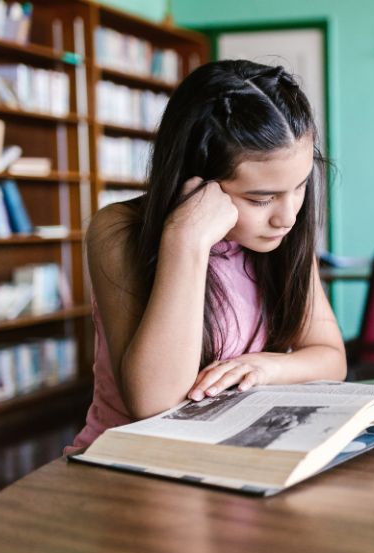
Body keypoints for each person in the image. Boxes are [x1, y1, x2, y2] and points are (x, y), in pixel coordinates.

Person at [65, 59, 347, 453]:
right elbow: (153, 402)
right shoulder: (119, 231)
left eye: (299, 186)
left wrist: (266, 367)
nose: (288, 215)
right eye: (261, 198)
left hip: (229, 457)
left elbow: (331, 357)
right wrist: (186, 238)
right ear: (195, 181)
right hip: (129, 464)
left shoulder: (280, 234)